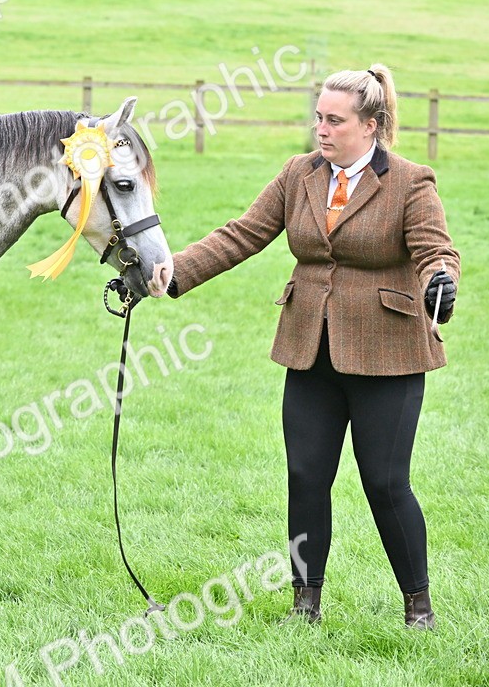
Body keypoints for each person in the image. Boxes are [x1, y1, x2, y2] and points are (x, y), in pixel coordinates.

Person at [164, 64, 459, 629]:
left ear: (370, 125)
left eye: (335, 120)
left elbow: (435, 251)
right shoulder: (299, 173)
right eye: (318, 117)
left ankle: (418, 607)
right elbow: (243, 233)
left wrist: (440, 281)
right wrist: (172, 272)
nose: (321, 129)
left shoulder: (410, 181)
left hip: (388, 354)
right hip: (309, 351)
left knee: (385, 483)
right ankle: (306, 604)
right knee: (305, 476)